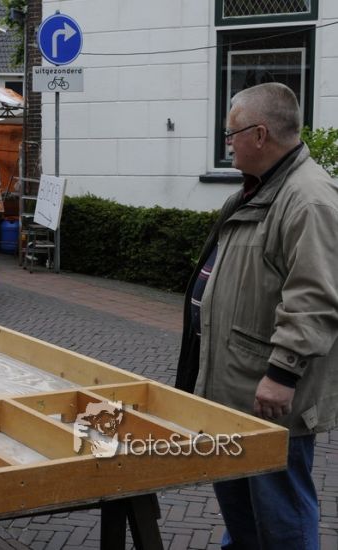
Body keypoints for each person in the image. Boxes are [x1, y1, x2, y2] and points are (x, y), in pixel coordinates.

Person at [175, 82, 338, 550]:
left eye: (232, 134)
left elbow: (315, 298)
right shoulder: (261, 190)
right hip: (237, 390)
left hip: (267, 399)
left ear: (260, 134)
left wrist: (282, 374)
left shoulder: (308, 199)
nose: (227, 144)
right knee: (243, 514)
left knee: (282, 520)